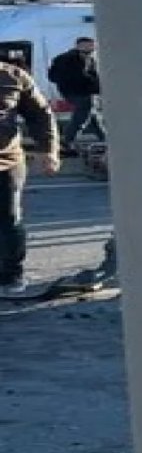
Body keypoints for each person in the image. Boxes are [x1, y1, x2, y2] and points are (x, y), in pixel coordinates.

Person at [0, 61, 59, 296]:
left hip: (6, 162)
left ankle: (11, 275)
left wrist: (48, 150)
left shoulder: (12, 75)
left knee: (9, 220)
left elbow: (40, 113)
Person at [48, 37, 104, 150]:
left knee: (91, 116)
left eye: (92, 45)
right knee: (81, 117)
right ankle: (67, 141)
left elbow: (93, 76)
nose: (92, 48)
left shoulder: (90, 59)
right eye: (88, 45)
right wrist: (88, 82)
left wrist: (98, 87)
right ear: (78, 46)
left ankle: (104, 138)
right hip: (75, 92)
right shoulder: (66, 59)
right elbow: (54, 76)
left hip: (85, 92)